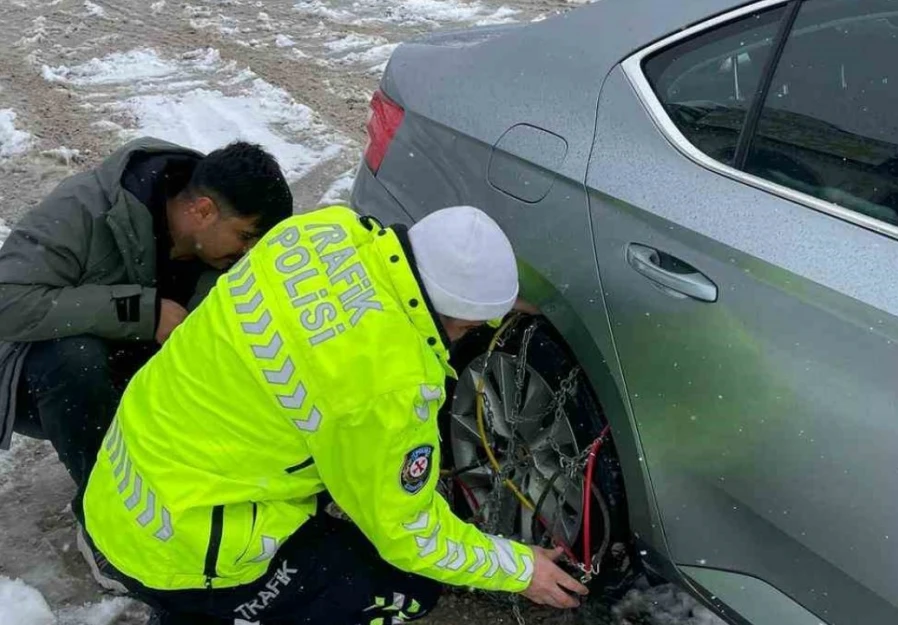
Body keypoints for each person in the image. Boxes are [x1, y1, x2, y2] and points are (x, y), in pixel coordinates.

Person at [77, 204, 590, 624]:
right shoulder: (385, 385)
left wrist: (491, 295)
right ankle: (211, 609)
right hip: (179, 545)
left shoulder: (325, 229)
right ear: (456, 315)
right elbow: (411, 536)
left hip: (124, 479)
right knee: (409, 586)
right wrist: (519, 569)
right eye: (469, 325)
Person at [0, 137, 294, 502]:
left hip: (138, 374)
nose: (248, 254)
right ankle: (106, 513)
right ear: (203, 211)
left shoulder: (226, 256)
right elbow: (7, 302)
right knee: (74, 356)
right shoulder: (85, 207)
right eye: (245, 237)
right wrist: (143, 312)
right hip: (38, 382)